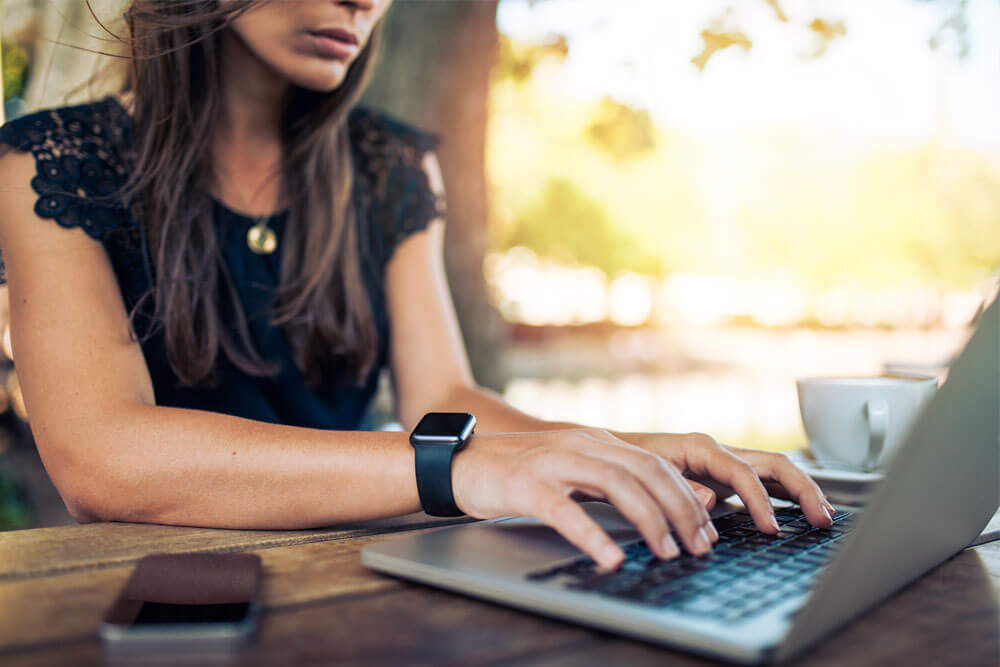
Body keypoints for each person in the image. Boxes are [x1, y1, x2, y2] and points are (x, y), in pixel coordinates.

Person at [0, 0, 832, 570]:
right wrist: (457, 469)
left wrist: (618, 453)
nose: (364, 0)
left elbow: (444, 395)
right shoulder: (50, 161)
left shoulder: (391, 165)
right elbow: (100, 455)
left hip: (358, 575)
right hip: (156, 602)